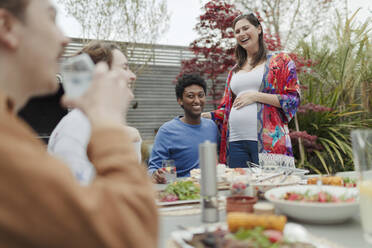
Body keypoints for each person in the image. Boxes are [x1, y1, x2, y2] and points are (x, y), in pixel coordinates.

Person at [0, 0, 157, 247]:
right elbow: (129, 234)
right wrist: (109, 125)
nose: (64, 39)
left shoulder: (12, 130)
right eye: (51, 19)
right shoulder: (9, 145)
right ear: (7, 26)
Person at [202, 13, 300, 168]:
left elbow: (292, 100)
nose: (241, 33)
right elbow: (226, 108)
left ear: (259, 29)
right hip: (235, 143)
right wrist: (204, 115)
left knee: (269, 187)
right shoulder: (234, 71)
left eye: (245, 28)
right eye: (237, 31)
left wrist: (256, 96)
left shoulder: (280, 61)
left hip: (268, 143)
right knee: (240, 189)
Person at [48, 41, 142, 185]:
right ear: (100, 74)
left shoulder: (97, 124)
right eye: (125, 67)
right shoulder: (76, 126)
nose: (133, 75)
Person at [148, 74, 218, 183]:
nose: (197, 100)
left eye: (201, 95)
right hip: (183, 190)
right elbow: (153, 169)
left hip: (212, 187)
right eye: (190, 96)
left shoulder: (212, 127)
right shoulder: (167, 131)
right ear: (180, 100)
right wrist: (156, 174)